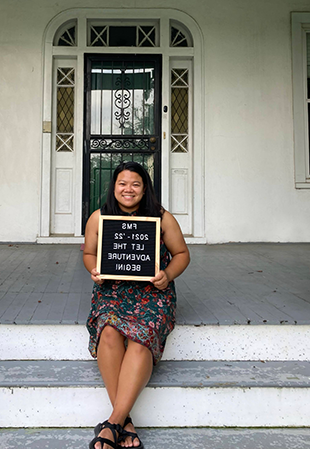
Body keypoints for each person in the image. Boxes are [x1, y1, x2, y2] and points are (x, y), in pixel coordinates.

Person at [83, 161, 190, 449]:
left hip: (152, 293)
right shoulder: (99, 218)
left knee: (140, 339)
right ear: (113, 187)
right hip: (112, 290)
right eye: (122, 183)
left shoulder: (161, 217)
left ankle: (112, 424)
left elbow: (182, 254)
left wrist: (167, 275)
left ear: (144, 189)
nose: (128, 189)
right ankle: (124, 422)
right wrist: (93, 269)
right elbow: (89, 253)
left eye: (135, 184)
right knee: (109, 331)